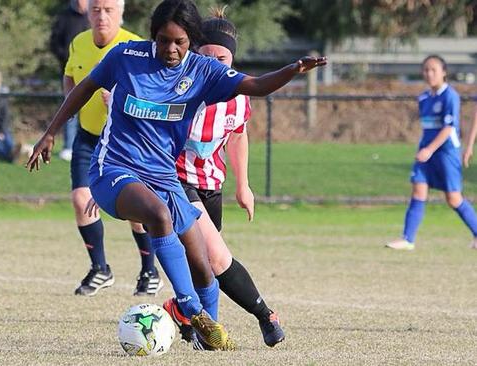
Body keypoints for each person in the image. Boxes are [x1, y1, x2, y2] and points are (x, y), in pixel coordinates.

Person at [27, 0, 325, 350]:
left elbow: (256, 86)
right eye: (164, 40)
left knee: (202, 262)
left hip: (164, 178)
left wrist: (291, 69)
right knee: (158, 214)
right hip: (114, 170)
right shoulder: (126, 56)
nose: (170, 49)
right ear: (153, 36)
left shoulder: (203, 71)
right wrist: (50, 131)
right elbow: (84, 87)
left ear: (191, 41)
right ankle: (190, 308)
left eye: (179, 42)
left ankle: (206, 336)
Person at [162, 8, 284, 347]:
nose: (215, 63)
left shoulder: (238, 95)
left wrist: (243, 185)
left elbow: (237, 135)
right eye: (208, 56)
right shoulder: (177, 85)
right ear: (195, 54)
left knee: (202, 263)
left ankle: (185, 314)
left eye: (223, 57)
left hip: (211, 185)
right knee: (215, 256)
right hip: (175, 180)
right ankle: (266, 316)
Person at [60, 0, 163, 297]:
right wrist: (71, 103)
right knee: (81, 200)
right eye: (96, 9)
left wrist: (120, 100)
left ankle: (149, 271)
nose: (101, 16)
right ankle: (100, 269)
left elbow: (153, 94)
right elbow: (70, 74)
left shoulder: (135, 46)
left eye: (108, 10)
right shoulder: (79, 42)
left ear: (121, 12)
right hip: (89, 135)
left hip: (125, 139)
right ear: (87, 12)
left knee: (134, 207)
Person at [386, 55, 477, 250]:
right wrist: (424, 148)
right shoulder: (424, 98)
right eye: (426, 70)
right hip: (426, 152)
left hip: (446, 153)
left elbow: (448, 128)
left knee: (453, 198)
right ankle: (407, 239)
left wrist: (429, 149)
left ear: (444, 72)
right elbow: (429, 128)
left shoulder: (450, 96)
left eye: (433, 70)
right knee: (418, 189)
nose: (429, 74)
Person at [50, 0, 90, 161]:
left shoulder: (93, 16)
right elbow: (54, 43)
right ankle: (68, 146)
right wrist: (68, 59)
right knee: (70, 105)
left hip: (93, 71)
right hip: (70, 71)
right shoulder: (64, 17)